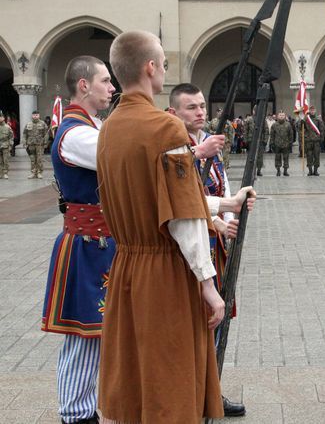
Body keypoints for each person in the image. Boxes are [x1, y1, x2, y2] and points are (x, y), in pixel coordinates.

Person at [96, 31, 255, 423]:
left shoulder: (109, 128)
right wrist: (208, 283)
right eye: (163, 64)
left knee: (137, 380)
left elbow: (157, 197)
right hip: (165, 270)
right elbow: (182, 215)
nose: (164, 70)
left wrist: (224, 202)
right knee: (171, 381)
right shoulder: (165, 129)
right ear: (150, 68)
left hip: (127, 267)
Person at [41, 56, 116, 424]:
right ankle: (75, 415)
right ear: (83, 85)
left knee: (98, 332)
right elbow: (123, 157)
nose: (112, 87)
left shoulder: (92, 127)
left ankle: (84, 410)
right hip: (88, 244)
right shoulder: (76, 133)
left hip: (101, 244)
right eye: (105, 81)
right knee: (84, 334)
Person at [168, 83, 248, 417]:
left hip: (214, 246)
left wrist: (227, 218)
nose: (200, 112)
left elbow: (220, 184)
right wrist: (214, 219)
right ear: (173, 113)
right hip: (186, 251)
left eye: (202, 106)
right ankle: (189, 392)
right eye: (191, 107)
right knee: (191, 322)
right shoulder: (174, 148)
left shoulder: (206, 145)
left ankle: (210, 390)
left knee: (213, 320)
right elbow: (178, 201)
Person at [298, 105, 324, 176]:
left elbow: (322, 130)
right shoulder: (306, 119)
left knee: (316, 156)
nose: (312, 111)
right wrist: (301, 122)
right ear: (309, 111)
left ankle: (315, 171)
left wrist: (321, 139)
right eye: (311, 110)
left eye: (313, 110)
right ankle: (310, 170)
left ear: (315, 111)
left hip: (316, 141)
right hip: (308, 141)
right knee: (309, 156)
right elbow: (300, 129)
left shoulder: (318, 119)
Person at [23, 109, 48, 178]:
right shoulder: (28, 124)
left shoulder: (43, 123)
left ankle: (39, 172)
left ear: (39, 115)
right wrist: (24, 143)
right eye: (34, 115)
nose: (35, 116)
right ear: (32, 116)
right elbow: (24, 134)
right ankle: (33, 172)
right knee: (32, 159)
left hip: (39, 144)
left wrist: (45, 143)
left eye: (36, 115)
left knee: (39, 159)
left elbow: (46, 134)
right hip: (31, 144)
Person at [270, 110, 293, 176]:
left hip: (286, 144)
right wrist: (272, 143)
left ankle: (285, 171)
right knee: (277, 158)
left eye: (283, 115)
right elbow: (272, 135)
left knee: (286, 158)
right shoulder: (274, 125)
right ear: (277, 116)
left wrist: (290, 143)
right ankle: (278, 170)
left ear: (285, 116)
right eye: (280, 115)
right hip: (277, 144)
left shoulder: (288, 124)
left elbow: (291, 135)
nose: (281, 116)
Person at [0, 111, 12, 178]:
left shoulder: (7, 127)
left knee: (5, 160)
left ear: (3, 118)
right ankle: (0, 173)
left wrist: (10, 145)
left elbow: (11, 137)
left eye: (1, 117)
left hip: (5, 145)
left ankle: (5, 173)